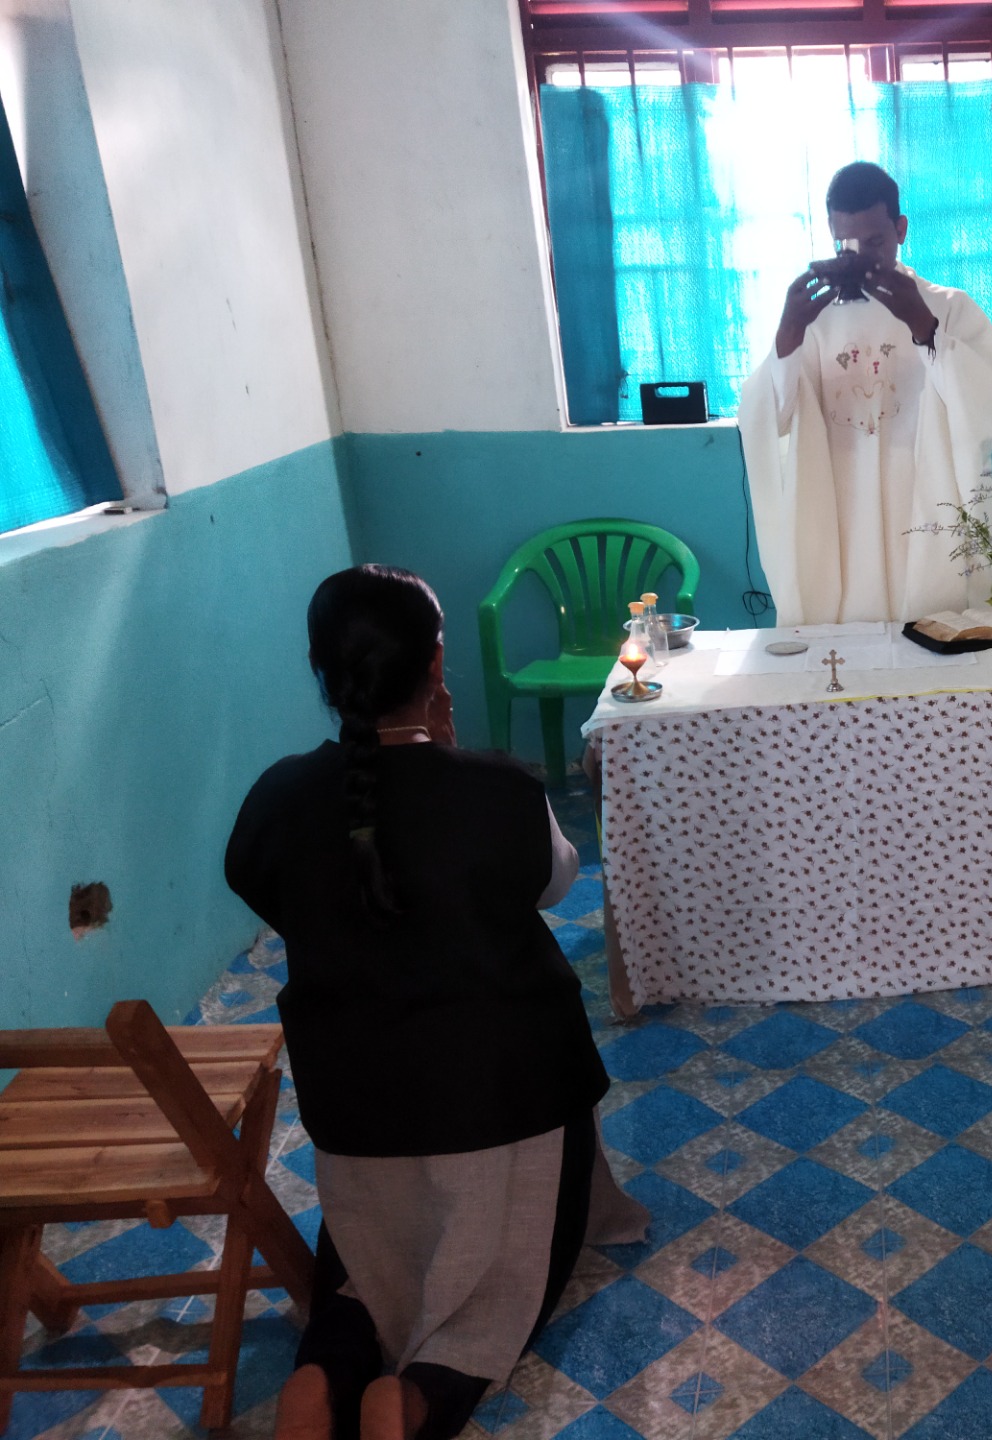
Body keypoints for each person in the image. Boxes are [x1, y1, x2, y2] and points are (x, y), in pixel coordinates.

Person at [227, 566, 648, 1440]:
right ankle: (418, 1395)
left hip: (356, 1105)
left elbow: (270, 892)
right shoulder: (498, 789)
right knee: (506, 1280)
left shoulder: (277, 797)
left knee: (370, 1262)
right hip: (507, 1094)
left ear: (322, 670)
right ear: (436, 664)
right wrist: (454, 758)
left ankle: (321, 1375)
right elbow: (554, 883)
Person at [737, 161, 992, 625]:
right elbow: (768, 420)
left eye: (874, 243)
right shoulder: (814, 320)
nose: (858, 258)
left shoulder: (948, 307)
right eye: (844, 245)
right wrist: (789, 333)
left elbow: (988, 406)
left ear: (900, 229)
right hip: (839, 513)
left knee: (930, 635)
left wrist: (922, 325)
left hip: (926, 504)